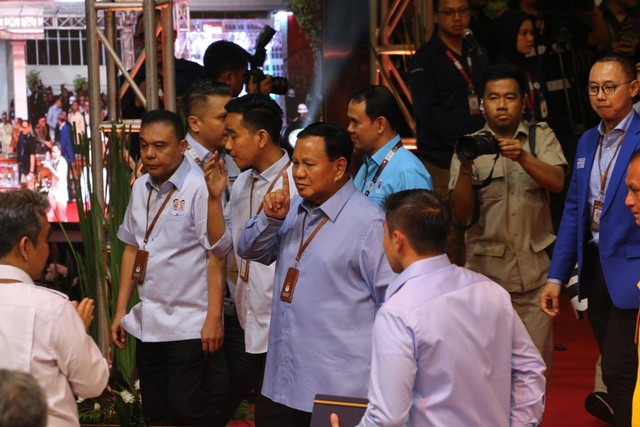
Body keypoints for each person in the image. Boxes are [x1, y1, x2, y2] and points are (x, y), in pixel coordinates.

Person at [329, 189, 546, 427]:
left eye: (385, 234)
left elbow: (387, 417)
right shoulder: (492, 291)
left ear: (397, 239)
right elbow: (530, 369)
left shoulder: (398, 313)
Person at [234, 122, 395, 426]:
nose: (298, 172)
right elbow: (248, 250)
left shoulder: (370, 223)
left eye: (308, 164)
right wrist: (269, 219)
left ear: (339, 167)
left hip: (337, 389)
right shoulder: (290, 209)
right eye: (295, 162)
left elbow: (391, 305)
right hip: (281, 380)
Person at [540, 54, 640, 426]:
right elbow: (573, 212)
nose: (601, 96)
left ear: (634, 88)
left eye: (610, 87)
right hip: (594, 267)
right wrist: (555, 276)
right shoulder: (586, 141)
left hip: (634, 267)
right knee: (616, 367)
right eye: (594, 88)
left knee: (618, 368)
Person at [449, 64, 567, 372]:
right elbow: (459, 215)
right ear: (482, 103)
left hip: (535, 278)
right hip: (486, 280)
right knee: (486, 372)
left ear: (523, 101)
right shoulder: (468, 145)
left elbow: (557, 182)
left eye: (510, 97)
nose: (502, 105)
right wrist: (465, 166)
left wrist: (523, 157)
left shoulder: (540, 137)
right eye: (494, 97)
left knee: (535, 372)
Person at [110, 110, 218, 426]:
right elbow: (132, 248)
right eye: (143, 145)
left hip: (189, 324)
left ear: (183, 146)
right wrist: (120, 311)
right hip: (149, 322)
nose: (149, 154)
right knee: (155, 413)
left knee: (188, 412)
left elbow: (216, 255)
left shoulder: (199, 187)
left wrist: (213, 318)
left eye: (159, 146)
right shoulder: (139, 186)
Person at [204, 93, 296, 423]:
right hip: (248, 319)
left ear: (261, 137)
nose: (227, 145)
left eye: (233, 134)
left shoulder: (298, 183)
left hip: (285, 326)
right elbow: (222, 245)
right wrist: (215, 199)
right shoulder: (242, 182)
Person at [0, 189, 109, 426]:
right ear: (26, 246)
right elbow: (93, 383)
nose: (48, 249)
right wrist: (77, 331)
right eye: (46, 240)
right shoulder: (52, 308)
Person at [181, 79, 237, 424]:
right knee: (200, 396)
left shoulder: (227, 158)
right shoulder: (177, 165)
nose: (230, 124)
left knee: (224, 385)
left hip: (229, 295)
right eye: (222, 117)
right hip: (193, 304)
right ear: (195, 123)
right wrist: (211, 314)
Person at [408, 0, 488, 198]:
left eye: (462, 11)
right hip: (442, 159)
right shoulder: (425, 58)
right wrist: (462, 142)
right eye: (449, 12)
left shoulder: (477, 51)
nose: (457, 18)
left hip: (481, 155)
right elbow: (427, 113)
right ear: (436, 16)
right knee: (449, 223)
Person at [347, 85, 433, 205]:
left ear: (380, 125)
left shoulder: (408, 172)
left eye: (355, 122)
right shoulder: (366, 165)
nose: (349, 128)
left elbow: (419, 223)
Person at [492, 9, 549, 123]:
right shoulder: (499, 72)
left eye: (532, 33)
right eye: (524, 33)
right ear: (510, 34)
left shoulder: (531, 67)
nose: (530, 38)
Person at [42, 145, 69, 222]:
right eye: (52, 152)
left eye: (54, 152)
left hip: (61, 191)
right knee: (49, 215)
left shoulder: (63, 162)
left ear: (59, 152)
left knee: (62, 217)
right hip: (53, 190)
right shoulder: (52, 161)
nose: (53, 154)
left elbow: (58, 177)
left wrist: (50, 167)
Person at [16, 120, 36, 190]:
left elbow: (32, 155)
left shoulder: (31, 139)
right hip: (21, 165)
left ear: (29, 128)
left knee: (30, 186)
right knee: (21, 186)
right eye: (22, 127)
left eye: (25, 127)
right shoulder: (21, 135)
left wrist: (31, 171)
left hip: (28, 165)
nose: (23, 129)